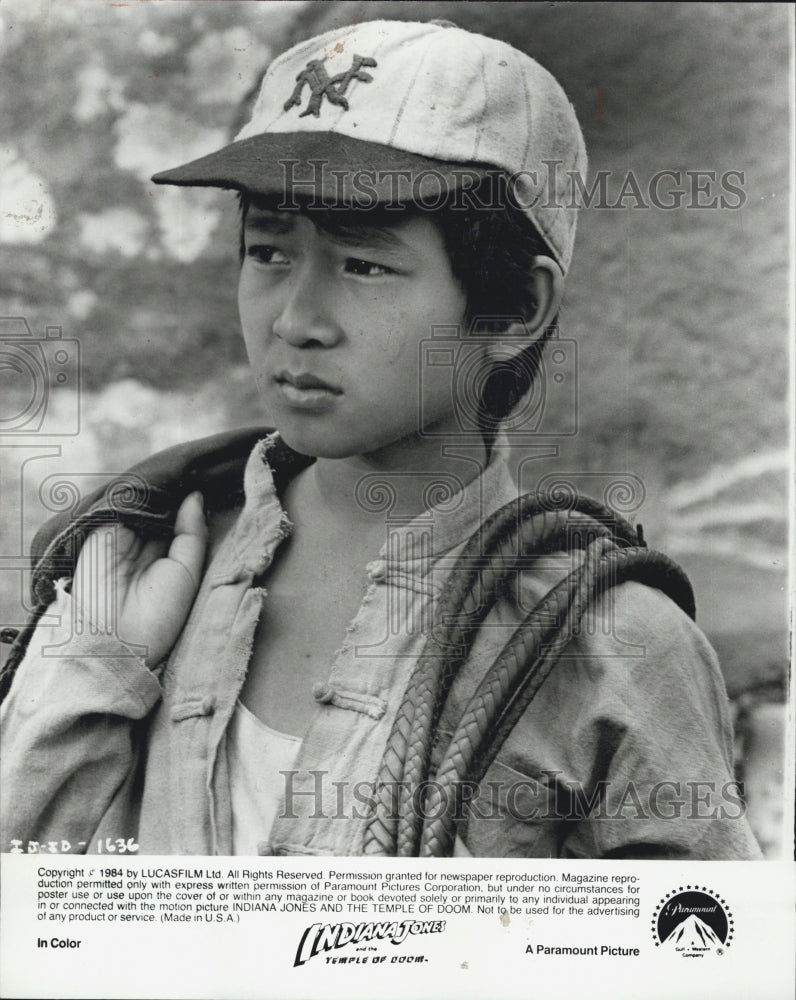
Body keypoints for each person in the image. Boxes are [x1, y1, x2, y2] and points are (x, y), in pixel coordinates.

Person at [0, 19, 760, 859]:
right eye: (269, 252)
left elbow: (701, 953)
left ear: (514, 309)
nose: (296, 321)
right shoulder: (136, 570)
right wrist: (95, 669)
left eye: (364, 265)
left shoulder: (607, 641)